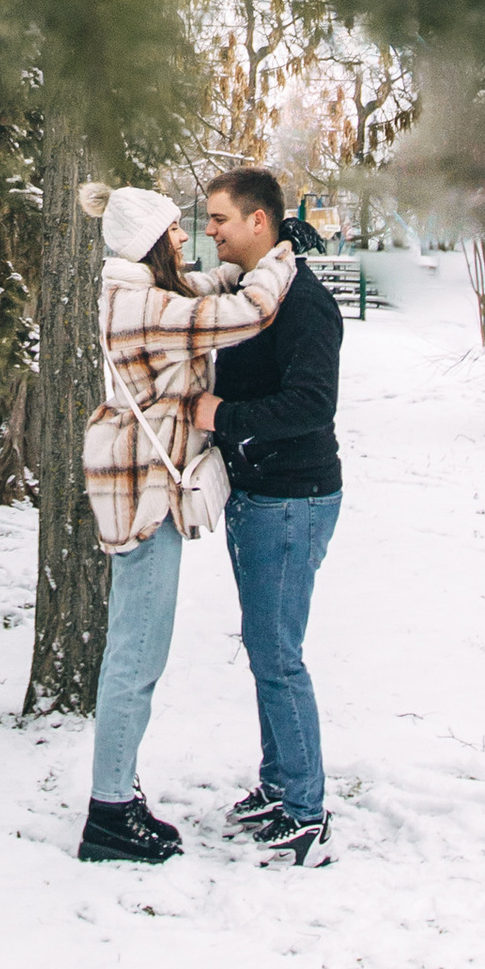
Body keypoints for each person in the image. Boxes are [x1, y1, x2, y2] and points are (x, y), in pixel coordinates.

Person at [75, 183, 296, 864]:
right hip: (144, 499)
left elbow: (209, 282)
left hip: (141, 488)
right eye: (175, 231)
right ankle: (109, 812)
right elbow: (248, 312)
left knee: (135, 650)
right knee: (136, 658)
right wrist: (281, 255)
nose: (185, 240)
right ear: (150, 241)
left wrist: (244, 259)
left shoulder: (141, 288)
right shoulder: (146, 308)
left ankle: (117, 792)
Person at [190, 166, 344, 866]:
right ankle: (280, 783)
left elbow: (312, 403)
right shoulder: (252, 294)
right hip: (261, 494)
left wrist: (224, 416)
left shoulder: (304, 303)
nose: (211, 229)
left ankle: (306, 810)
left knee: (278, 653)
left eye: (220, 218)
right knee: (264, 647)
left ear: (260, 222)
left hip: (292, 498)